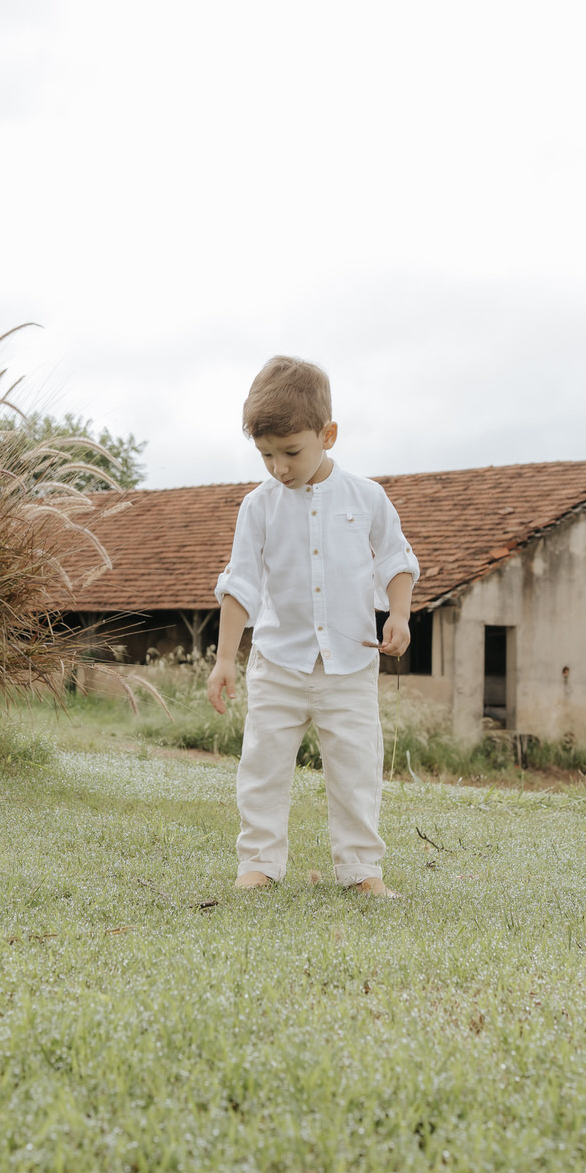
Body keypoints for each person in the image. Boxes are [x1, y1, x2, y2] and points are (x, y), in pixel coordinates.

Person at [206, 356, 419, 896]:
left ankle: (361, 870)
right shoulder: (258, 506)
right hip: (279, 662)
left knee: (356, 770)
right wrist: (225, 659)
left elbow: (395, 560)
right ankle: (259, 862)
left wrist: (398, 614)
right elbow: (241, 584)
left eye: (291, 451)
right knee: (262, 766)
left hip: (349, 665)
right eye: (266, 455)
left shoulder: (367, 498)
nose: (279, 466)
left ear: (328, 434)